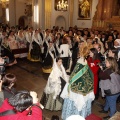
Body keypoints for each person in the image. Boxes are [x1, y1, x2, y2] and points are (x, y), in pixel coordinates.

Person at [61, 45, 95, 119]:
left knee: (72, 99)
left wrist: (70, 80)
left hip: (76, 86)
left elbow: (74, 73)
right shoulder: (85, 61)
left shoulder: (79, 61)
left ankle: (72, 115)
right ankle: (81, 115)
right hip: (85, 84)